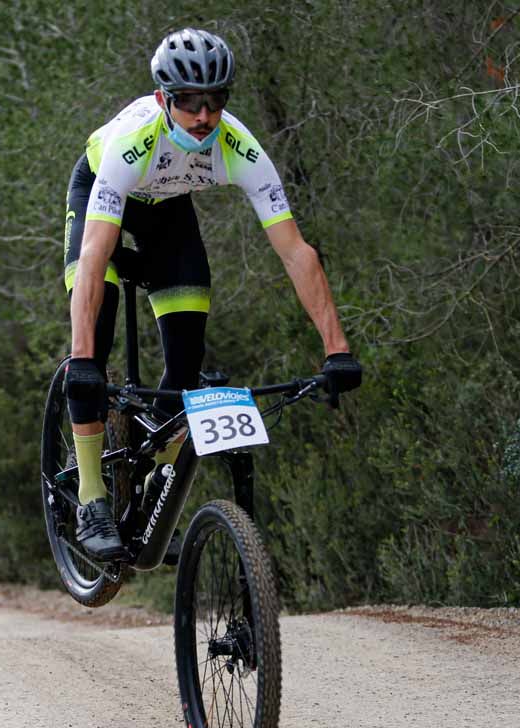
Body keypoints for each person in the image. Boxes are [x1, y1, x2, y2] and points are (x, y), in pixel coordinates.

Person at [62, 28, 363, 559]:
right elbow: (93, 255)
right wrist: (83, 358)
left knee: (187, 358)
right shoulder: (129, 146)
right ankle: (91, 497)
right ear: (163, 99)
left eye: (215, 101)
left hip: (169, 212)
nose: (203, 116)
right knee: (93, 337)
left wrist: (337, 349)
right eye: (188, 102)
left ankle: (153, 492)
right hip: (102, 197)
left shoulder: (239, 148)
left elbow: (297, 253)